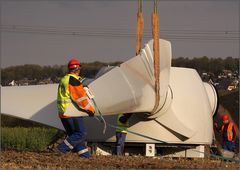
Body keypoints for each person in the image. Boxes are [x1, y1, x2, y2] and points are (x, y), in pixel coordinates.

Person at [57, 58, 95, 158]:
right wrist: (90, 110)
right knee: (81, 133)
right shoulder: (73, 80)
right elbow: (80, 99)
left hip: (63, 113)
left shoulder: (64, 79)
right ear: (77, 69)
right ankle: (62, 148)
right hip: (72, 112)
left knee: (75, 136)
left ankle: (85, 156)